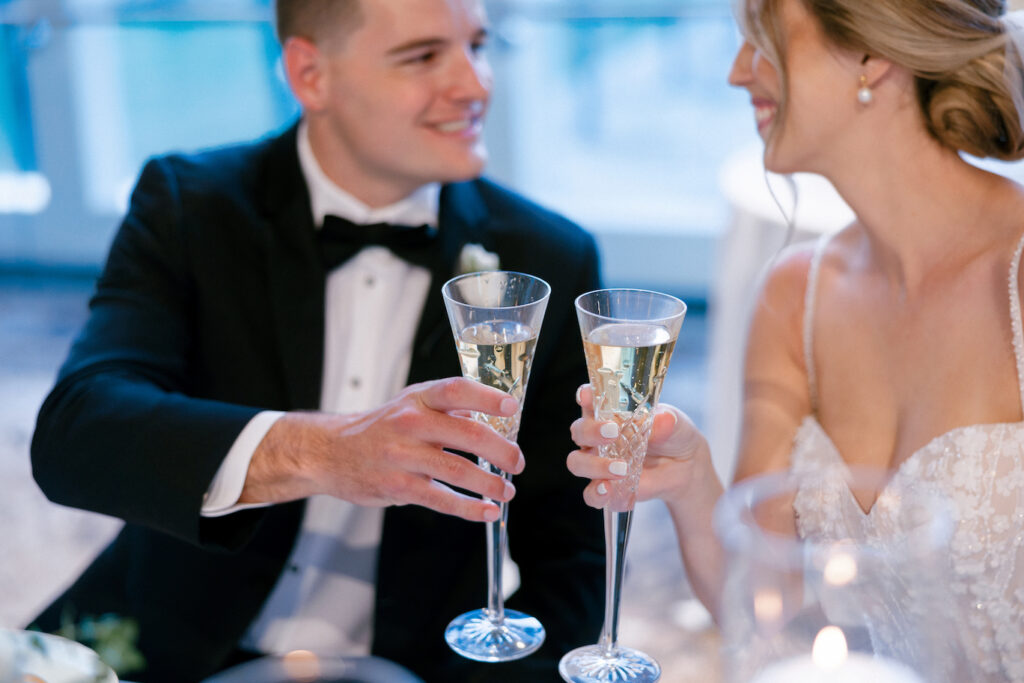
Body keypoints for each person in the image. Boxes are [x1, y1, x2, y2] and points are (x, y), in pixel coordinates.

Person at [29, 0, 605, 681]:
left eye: (478, 45)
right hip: (169, 643)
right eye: (422, 56)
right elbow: (77, 432)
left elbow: (570, 558)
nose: (475, 83)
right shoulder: (190, 205)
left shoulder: (547, 258)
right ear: (311, 74)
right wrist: (324, 451)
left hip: (413, 663)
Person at [568, 0, 1024, 680]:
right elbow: (766, 616)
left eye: (762, 38)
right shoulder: (793, 296)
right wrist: (693, 481)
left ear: (872, 54)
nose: (736, 72)